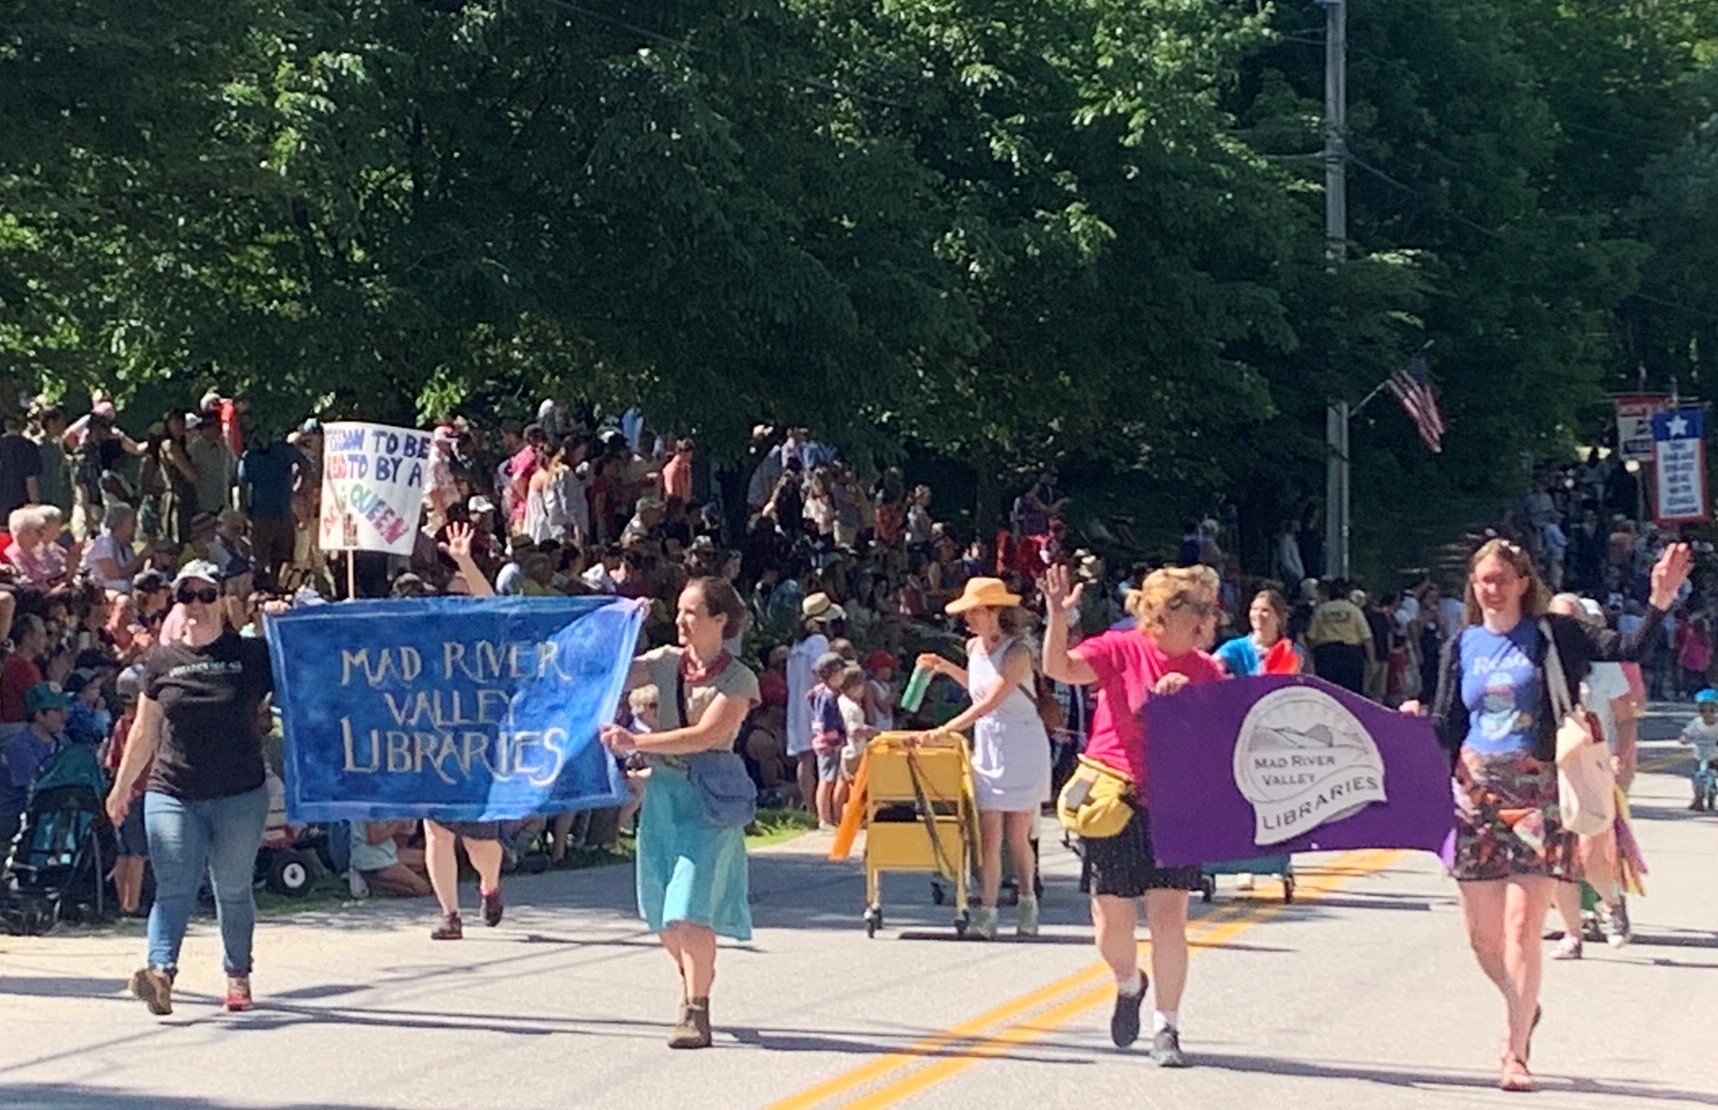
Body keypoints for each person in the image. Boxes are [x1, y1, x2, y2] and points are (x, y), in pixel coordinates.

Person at [1406, 537, 1689, 1092]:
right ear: (1474, 585)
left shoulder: (1554, 634)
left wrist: (1660, 599)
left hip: (1536, 793)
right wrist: (1415, 718)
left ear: (1523, 583)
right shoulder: (1462, 644)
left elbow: (1627, 645)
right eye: (1484, 580)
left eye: (1503, 579)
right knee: (1481, 940)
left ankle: (1515, 1051)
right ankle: (1522, 1004)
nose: (1493, 589)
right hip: (1473, 795)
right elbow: (1446, 722)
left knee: (1522, 928)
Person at [1041, 562, 1223, 1067]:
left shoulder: (1208, 672)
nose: (1201, 626)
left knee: (1169, 918)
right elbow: (1058, 668)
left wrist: (1188, 707)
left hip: (1176, 804)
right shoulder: (1119, 649)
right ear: (1160, 616)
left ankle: (1168, 1027)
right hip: (1114, 798)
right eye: (1193, 616)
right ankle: (1128, 982)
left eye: (1202, 618)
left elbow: (1223, 740)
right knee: (1111, 924)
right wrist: (1057, 616)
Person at [104, 560, 278, 1017]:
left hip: (239, 794)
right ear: (175, 603)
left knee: (233, 888)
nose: (196, 605)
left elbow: (306, 683)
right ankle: (160, 973)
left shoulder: (252, 655)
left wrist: (282, 623)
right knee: (175, 886)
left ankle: (237, 972)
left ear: (222, 599)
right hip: (172, 791)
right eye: (187, 596)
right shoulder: (162, 661)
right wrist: (122, 787)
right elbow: (144, 730)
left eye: (206, 594)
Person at [603, 577, 760, 1050]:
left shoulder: (739, 680)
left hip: (709, 799)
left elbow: (706, 736)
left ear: (720, 620)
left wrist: (636, 743)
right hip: (664, 800)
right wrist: (625, 624)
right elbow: (610, 671)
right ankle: (695, 976)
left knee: (689, 909)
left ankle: (696, 1010)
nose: (681, 621)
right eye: (678, 612)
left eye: (691, 613)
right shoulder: (666, 663)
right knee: (661, 913)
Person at [917, 577, 1052, 940]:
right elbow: (978, 689)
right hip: (989, 743)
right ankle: (987, 914)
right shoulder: (973, 646)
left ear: (995, 612)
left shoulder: (1019, 650)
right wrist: (946, 668)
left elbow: (992, 699)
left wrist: (945, 729)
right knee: (988, 837)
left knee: (1017, 836)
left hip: (1021, 742)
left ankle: (1027, 902)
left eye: (975, 611)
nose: (969, 619)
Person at [423, 523, 508, 940]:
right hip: (436, 740)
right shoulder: (430, 638)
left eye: (465, 595)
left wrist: (464, 561)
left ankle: (490, 887)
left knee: (480, 843)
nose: (459, 603)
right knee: (436, 831)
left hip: (478, 744)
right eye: (451, 596)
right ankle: (449, 915)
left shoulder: (486, 636)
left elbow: (491, 604)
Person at [1542, 594, 1638, 959]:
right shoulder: (1539, 662)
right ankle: (1573, 933)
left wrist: (1620, 757)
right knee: (1554, 851)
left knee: (1592, 851)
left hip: (1592, 765)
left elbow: (1626, 717)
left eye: (1570, 620)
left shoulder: (1604, 665)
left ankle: (1612, 903)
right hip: (1550, 763)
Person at [786, 593, 840, 813]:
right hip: (816, 705)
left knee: (805, 759)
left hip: (796, 706)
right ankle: (826, 809)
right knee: (825, 757)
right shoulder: (819, 642)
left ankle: (810, 807)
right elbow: (822, 673)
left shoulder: (796, 647)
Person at [104, 667, 150, 916]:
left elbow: (111, 763)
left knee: (123, 851)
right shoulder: (145, 725)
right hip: (140, 794)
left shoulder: (121, 724)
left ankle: (124, 903)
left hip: (121, 795)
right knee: (137, 853)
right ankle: (132, 905)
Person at [0, 683, 70, 847]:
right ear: (39, 715)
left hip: (46, 814)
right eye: (57, 710)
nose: (65, 715)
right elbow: (36, 787)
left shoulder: (62, 741)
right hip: (13, 819)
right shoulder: (19, 746)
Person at [1213, 588, 1303, 678]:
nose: (1258, 614)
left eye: (1265, 610)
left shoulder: (1293, 651)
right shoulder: (1235, 647)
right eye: (1255, 609)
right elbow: (1212, 668)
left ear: (1278, 617)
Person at [81, 504, 140, 593]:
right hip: (98, 586)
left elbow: (132, 572)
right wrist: (141, 558)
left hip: (118, 584)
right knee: (125, 586)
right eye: (133, 523)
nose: (135, 527)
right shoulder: (103, 542)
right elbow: (114, 575)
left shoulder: (126, 547)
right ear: (120, 524)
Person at [1680, 688, 1718, 810]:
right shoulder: (1696, 723)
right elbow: (1687, 733)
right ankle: (1698, 799)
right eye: (1703, 710)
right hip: (1700, 754)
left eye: (1711, 710)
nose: (1707, 714)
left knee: (1714, 774)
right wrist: (1684, 738)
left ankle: (1712, 797)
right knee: (1696, 776)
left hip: (1715, 755)